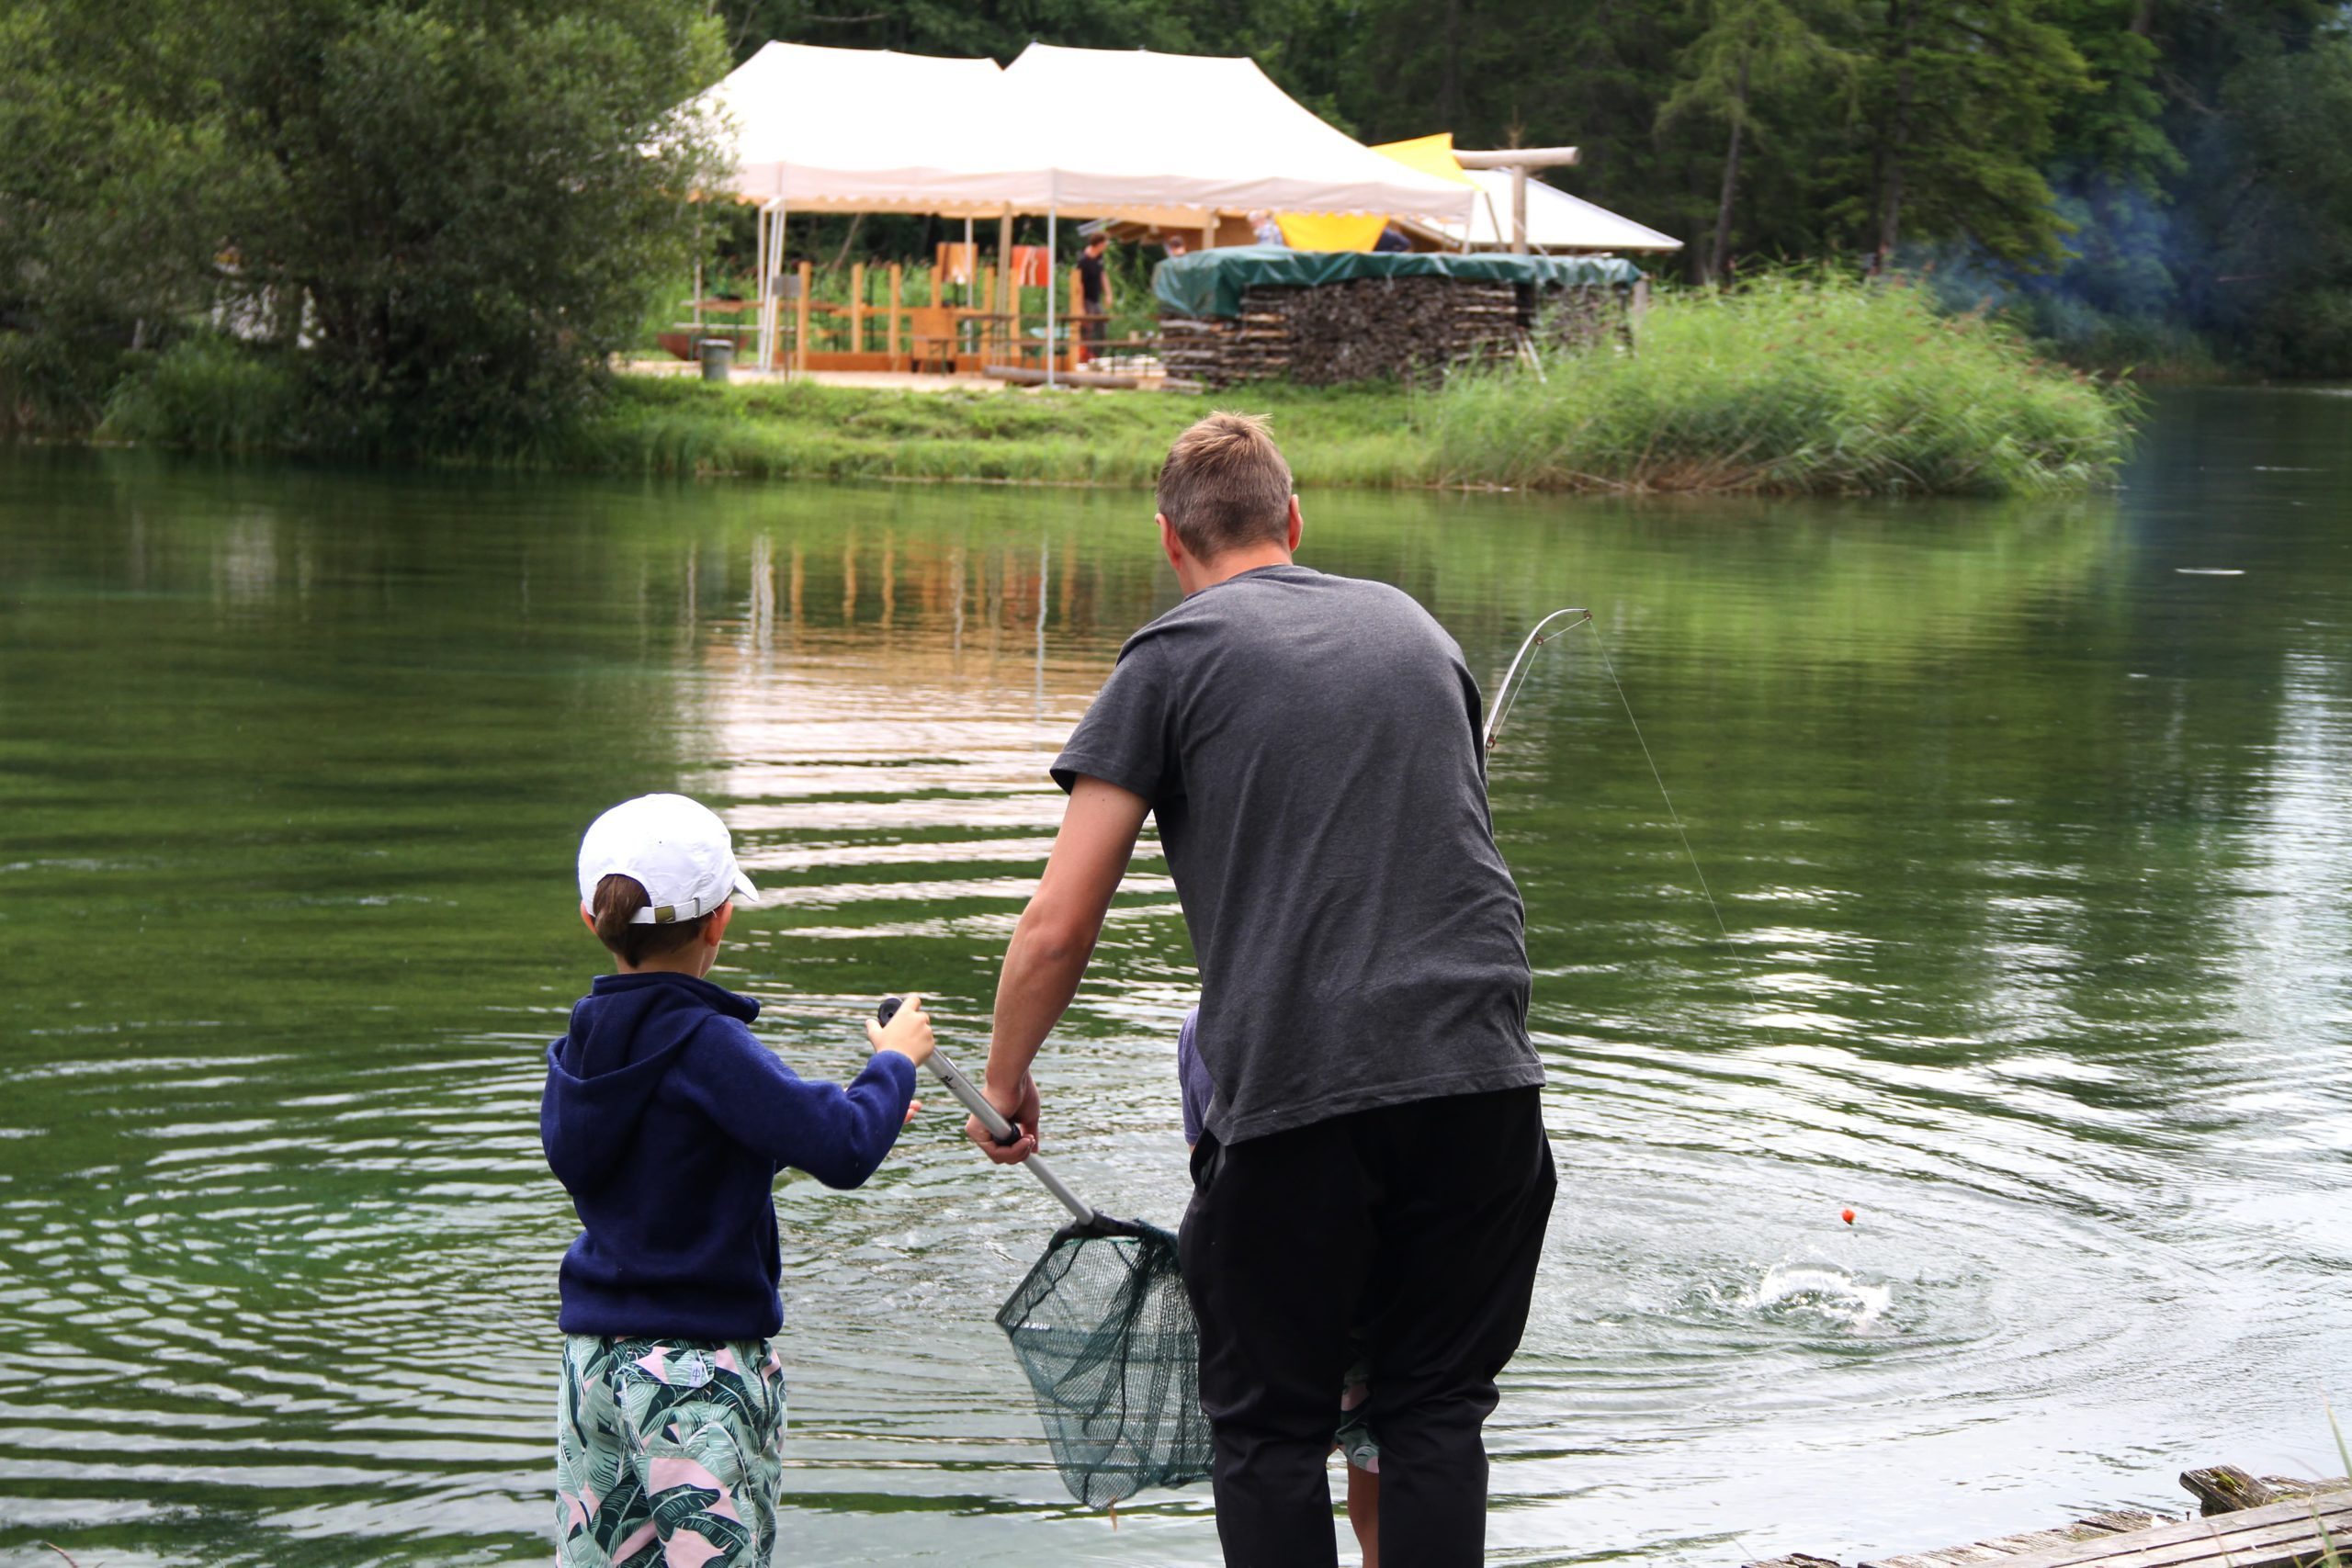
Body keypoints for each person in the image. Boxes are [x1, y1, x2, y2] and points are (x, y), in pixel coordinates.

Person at [968, 412, 1555, 1567]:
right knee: (1431, 1412)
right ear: (1293, 519)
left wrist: (1003, 1078)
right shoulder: (1412, 625)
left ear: (1167, 541)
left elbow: (1056, 927)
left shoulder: (1171, 657)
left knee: (1273, 1432)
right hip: (1486, 1086)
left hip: (1302, 1104)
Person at [542, 792, 935, 1567]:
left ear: (592, 919)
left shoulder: (582, 1051)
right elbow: (843, 1148)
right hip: (696, 1378)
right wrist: (893, 1063)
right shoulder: (708, 1042)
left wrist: (810, 1124)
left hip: (593, 1362)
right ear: (720, 918)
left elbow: (664, 1155)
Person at [1178, 1006, 1382, 1567]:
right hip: (1384, 1273)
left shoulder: (1208, 1022)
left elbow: (1208, 1167)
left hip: (1270, 1277)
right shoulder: (1389, 1001)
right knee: (1388, 1452)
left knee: (1276, 1452)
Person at [1074, 232, 1112, 363]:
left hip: (1096, 298)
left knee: (1102, 325)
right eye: (1105, 242)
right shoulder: (1083, 261)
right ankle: (1086, 355)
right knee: (1088, 328)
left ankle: (1098, 353)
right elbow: (1080, 284)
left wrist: (1108, 293)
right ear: (1100, 243)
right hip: (1086, 299)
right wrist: (1080, 306)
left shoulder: (1099, 257)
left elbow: (1103, 275)